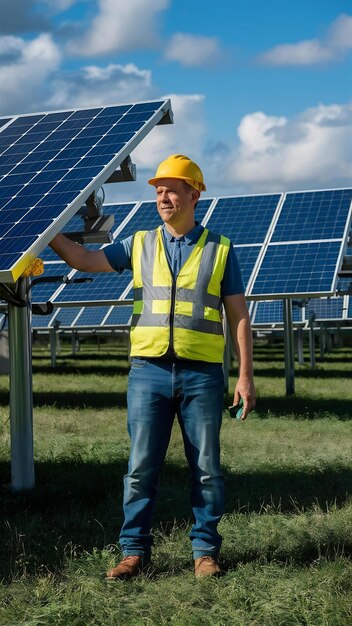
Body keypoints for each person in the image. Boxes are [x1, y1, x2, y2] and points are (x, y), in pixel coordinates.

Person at [49, 154, 256, 580]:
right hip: (148, 372)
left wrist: (245, 376)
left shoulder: (220, 249)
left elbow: (238, 315)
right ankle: (133, 553)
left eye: (172, 189)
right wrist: (50, 232)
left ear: (194, 195)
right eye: (159, 190)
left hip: (202, 375)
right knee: (141, 468)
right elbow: (85, 260)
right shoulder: (139, 243)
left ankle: (205, 553)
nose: (162, 196)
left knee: (206, 470)